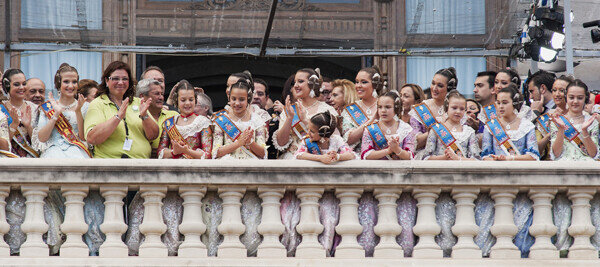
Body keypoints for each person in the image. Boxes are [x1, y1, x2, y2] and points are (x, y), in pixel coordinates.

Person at [84, 61, 159, 158]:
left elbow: (153, 135)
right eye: (115, 78)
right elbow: (92, 138)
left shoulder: (137, 102)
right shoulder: (98, 104)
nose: (120, 82)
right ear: (107, 81)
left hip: (140, 164)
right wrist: (118, 117)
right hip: (110, 165)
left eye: (125, 79)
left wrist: (145, 116)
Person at [274, 68, 338, 159]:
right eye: (295, 82)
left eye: (300, 81)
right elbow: (281, 143)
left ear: (313, 84)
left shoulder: (327, 110)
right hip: (293, 159)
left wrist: (305, 121)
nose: (296, 85)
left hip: (319, 159)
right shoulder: (290, 109)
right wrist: (290, 118)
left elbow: (333, 141)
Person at [33, 63, 90, 158]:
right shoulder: (49, 106)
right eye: (66, 82)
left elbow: (82, 137)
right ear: (59, 84)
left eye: (74, 82)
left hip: (78, 154)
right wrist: (56, 114)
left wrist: (78, 111)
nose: (71, 86)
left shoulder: (85, 106)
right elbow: (42, 138)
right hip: (53, 153)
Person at [481, 84, 539, 161]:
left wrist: (510, 158)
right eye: (498, 103)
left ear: (514, 103)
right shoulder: (490, 126)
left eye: (505, 103)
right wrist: (496, 159)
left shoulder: (526, 126)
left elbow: (534, 156)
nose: (501, 106)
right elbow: (485, 156)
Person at [212, 80, 268, 159]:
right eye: (234, 99)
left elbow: (263, 154)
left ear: (248, 99)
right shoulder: (222, 120)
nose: (237, 103)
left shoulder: (257, 120)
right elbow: (216, 153)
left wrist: (250, 142)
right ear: (229, 99)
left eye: (241, 99)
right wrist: (238, 143)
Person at [157, 80, 212, 159]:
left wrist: (187, 151)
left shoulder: (203, 122)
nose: (187, 103)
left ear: (195, 101)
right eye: (183, 100)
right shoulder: (169, 123)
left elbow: (208, 154)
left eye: (191, 100)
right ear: (177, 101)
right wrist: (174, 152)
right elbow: (160, 153)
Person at [420, 91, 480, 160]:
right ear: (447, 108)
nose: (458, 111)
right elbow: (426, 158)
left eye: (462, 109)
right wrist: (444, 158)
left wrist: (457, 158)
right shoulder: (437, 129)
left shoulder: (469, 132)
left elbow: (476, 159)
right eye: (454, 108)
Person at [410, 67, 459, 150]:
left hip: (452, 154)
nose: (434, 88)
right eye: (433, 83)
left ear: (450, 88)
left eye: (440, 85)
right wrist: (433, 132)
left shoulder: (457, 109)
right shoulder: (421, 109)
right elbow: (413, 143)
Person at [549, 79, 598, 161]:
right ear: (566, 97)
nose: (575, 101)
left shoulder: (591, 121)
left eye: (580, 98)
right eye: (571, 97)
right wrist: (561, 129)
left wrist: (585, 131)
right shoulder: (558, 121)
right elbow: (556, 154)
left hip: (586, 168)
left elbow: (593, 154)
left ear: (585, 99)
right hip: (563, 168)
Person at [340, 66, 385, 153]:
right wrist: (371, 121)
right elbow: (347, 140)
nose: (358, 86)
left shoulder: (386, 105)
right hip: (358, 159)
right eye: (357, 82)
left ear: (375, 84)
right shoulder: (351, 109)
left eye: (364, 82)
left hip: (383, 156)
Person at [361, 91, 415, 160]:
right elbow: (366, 155)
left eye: (387, 107)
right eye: (380, 107)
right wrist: (388, 151)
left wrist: (397, 149)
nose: (383, 110)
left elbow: (410, 156)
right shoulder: (371, 129)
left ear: (396, 108)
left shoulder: (406, 129)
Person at [136, 78, 179, 158]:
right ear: (142, 96)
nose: (161, 97)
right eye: (156, 94)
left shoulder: (173, 116)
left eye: (162, 94)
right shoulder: (133, 117)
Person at [1, 68, 38, 157]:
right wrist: (14, 125)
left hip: (32, 155)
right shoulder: (1, 109)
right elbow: (3, 145)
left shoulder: (34, 108)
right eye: (17, 84)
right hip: (8, 156)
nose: (21, 87)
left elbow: (39, 143)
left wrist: (28, 126)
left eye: (24, 84)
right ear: (7, 86)